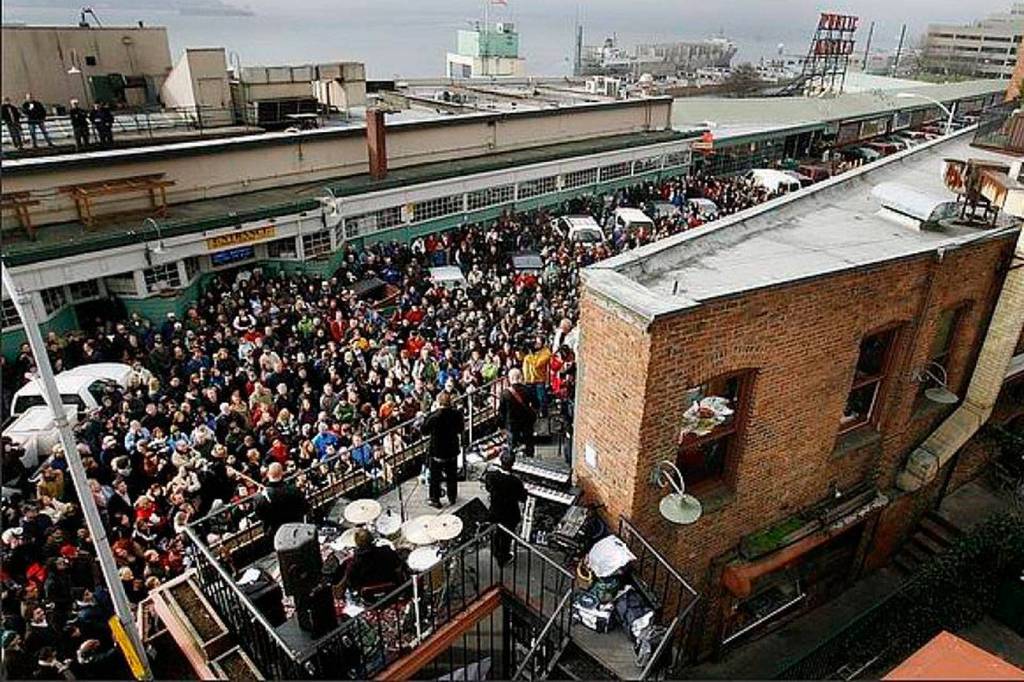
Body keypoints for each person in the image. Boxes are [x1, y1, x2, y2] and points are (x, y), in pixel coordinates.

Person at [420, 391, 464, 507]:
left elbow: (424, 430)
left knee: (435, 477)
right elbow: (460, 429)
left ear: (438, 402)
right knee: (452, 475)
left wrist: (429, 414)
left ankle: (435, 499)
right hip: (452, 450)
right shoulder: (457, 414)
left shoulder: (433, 416)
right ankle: (452, 497)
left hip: (437, 452)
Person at [483, 449, 527, 565]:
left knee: (496, 533)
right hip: (510, 514)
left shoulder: (491, 476)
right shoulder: (515, 481)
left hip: (495, 511)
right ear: (513, 463)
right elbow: (522, 497)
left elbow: (488, 487)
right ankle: (503, 557)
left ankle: (496, 551)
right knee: (506, 536)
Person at [338, 528, 406, 597]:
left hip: (370, 597)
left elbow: (351, 583)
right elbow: (398, 565)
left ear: (357, 543)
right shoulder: (386, 551)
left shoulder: (354, 563)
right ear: (371, 538)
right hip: (393, 591)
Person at [253, 462, 307, 538]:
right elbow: (304, 507)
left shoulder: (260, 497)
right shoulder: (294, 490)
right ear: (282, 473)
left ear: (268, 474)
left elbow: (260, 516)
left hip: (275, 534)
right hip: (295, 530)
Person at [498, 368, 538, 458]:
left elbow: (501, 412)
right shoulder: (527, 390)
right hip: (526, 423)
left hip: (511, 424)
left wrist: (501, 425)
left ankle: (513, 460)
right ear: (520, 377)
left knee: (512, 447)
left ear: (510, 378)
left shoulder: (505, 393)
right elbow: (536, 404)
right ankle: (530, 458)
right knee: (528, 444)